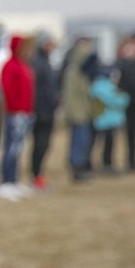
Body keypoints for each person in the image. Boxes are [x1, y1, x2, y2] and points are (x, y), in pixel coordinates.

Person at [0, 34, 35, 200]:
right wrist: (15, 109)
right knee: (10, 148)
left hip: (25, 113)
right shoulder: (10, 66)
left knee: (19, 148)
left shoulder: (23, 65)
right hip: (14, 114)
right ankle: (5, 182)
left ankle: (14, 179)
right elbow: (7, 91)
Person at [59, 37, 96, 182]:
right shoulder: (75, 71)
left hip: (81, 112)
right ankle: (77, 169)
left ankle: (79, 168)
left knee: (81, 141)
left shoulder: (77, 70)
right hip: (78, 113)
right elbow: (74, 96)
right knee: (80, 141)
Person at [29, 32, 60, 190]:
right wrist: (38, 109)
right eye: (49, 43)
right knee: (40, 145)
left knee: (45, 145)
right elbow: (35, 89)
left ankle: (38, 175)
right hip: (41, 112)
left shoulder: (46, 61)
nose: (52, 46)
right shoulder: (37, 62)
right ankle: (36, 176)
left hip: (48, 110)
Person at [90, 62, 130, 173]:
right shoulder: (103, 87)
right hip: (106, 121)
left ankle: (92, 163)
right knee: (107, 144)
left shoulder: (96, 86)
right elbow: (119, 101)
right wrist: (123, 98)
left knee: (97, 143)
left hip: (102, 120)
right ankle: (106, 164)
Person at [117, 32, 135, 172]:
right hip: (130, 104)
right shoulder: (125, 64)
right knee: (130, 135)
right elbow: (120, 82)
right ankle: (132, 163)